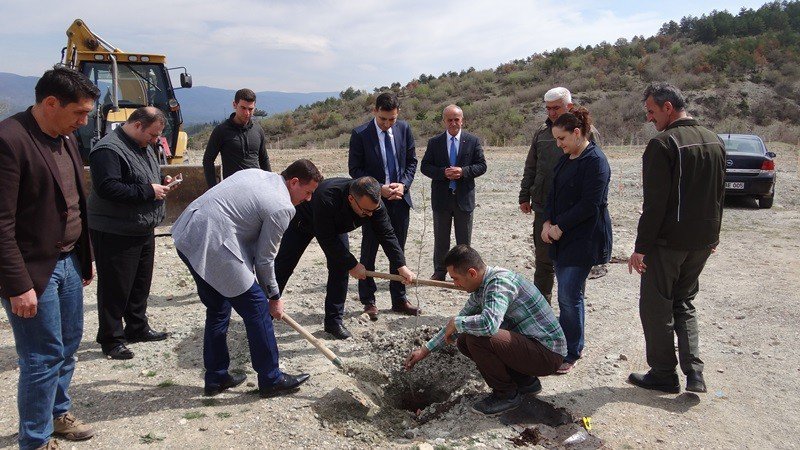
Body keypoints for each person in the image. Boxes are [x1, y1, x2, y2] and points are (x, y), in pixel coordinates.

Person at [0, 67, 99, 450]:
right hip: (32, 271)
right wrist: (17, 285)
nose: (84, 121)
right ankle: (36, 440)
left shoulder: (66, 137)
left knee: (69, 343)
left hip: (68, 261)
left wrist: (83, 260)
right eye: (79, 113)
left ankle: (58, 414)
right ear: (51, 103)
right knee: (41, 357)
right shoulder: (9, 140)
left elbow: (74, 202)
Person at [172, 160, 322, 398]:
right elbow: (265, 259)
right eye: (308, 192)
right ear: (294, 182)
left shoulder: (257, 174)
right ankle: (271, 379)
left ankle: (216, 377)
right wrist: (273, 296)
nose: (309, 199)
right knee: (258, 309)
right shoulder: (282, 206)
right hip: (213, 243)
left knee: (219, 307)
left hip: (187, 232)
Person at [627, 83, 725, 394]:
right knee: (684, 302)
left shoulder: (663, 144)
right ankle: (695, 373)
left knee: (656, 307)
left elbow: (654, 205)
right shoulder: (715, 141)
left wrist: (641, 249)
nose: (650, 118)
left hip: (668, 244)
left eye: (652, 112)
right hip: (702, 242)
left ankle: (663, 373)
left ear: (668, 107)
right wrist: (714, 236)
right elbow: (718, 196)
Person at [404, 245, 566, 416]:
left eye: (456, 278)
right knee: (465, 340)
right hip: (535, 348)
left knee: (477, 338)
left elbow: (489, 325)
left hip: (548, 354)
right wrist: (425, 350)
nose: (455, 284)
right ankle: (525, 382)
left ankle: (506, 395)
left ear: (472, 273)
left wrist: (458, 323)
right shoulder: (481, 288)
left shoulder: (499, 284)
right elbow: (459, 323)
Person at [275, 176, 416, 337]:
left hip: (336, 227)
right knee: (284, 265)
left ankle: (333, 322)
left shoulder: (373, 205)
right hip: (305, 221)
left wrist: (401, 266)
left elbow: (387, 234)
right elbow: (327, 239)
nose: (369, 215)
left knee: (339, 268)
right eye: (365, 211)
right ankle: (266, 309)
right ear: (351, 199)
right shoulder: (327, 197)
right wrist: (353, 265)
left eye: (373, 211)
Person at [88, 106, 173, 360]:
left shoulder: (143, 145)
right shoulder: (108, 150)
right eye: (153, 134)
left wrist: (162, 182)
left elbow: (148, 175)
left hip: (141, 226)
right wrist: (149, 191)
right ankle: (111, 339)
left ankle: (137, 327)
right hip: (114, 228)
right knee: (116, 286)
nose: (155, 140)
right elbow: (108, 188)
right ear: (137, 125)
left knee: (139, 283)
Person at [541, 107, 612, 375]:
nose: (559, 145)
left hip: (583, 238)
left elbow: (590, 204)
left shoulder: (595, 161)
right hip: (560, 236)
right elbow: (553, 192)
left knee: (569, 296)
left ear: (578, 133)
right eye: (556, 139)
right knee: (568, 295)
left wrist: (559, 226)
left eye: (562, 139)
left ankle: (571, 350)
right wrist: (547, 221)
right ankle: (567, 343)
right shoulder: (567, 157)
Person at [518, 87, 602, 304]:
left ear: (569, 107)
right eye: (548, 109)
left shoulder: (587, 133)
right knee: (543, 261)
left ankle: (572, 305)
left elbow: (594, 172)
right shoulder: (541, 133)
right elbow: (531, 166)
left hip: (574, 210)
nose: (552, 113)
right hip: (543, 206)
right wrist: (524, 194)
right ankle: (541, 310)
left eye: (556, 108)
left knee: (572, 264)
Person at [348, 93, 419, 319]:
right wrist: (379, 188)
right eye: (383, 120)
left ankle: (399, 299)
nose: (388, 124)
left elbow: (411, 162)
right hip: (373, 202)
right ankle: (368, 301)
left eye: (392, 120)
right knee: (369, 250)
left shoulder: (404, 129)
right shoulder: (360, 134)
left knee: (397, 250)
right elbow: (355, 170)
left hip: (400, 201)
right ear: (374, 112)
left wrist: (404, 185)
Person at [421, 104, 487, 281]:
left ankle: (463, 273)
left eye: (456, 119)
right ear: (444, 121)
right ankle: (440, 271)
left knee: (464, 241)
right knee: (441, 239)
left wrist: (463, 172)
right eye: (449, 120)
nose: (453, 123)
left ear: (462, 121)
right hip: (441, 199)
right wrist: (442, 173)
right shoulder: (434, 142)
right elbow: (425, 167)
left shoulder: (472, 141)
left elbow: (482, 166)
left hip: (464, 199)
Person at [202, 88, 271, 188]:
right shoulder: (221, 131)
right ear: (234, 105)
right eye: (243, 108)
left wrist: (270, 185)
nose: (247, 113)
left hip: (257, 187)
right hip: (233, 190)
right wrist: (213, 188)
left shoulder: (258, 130)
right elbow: (208, 160)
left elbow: (264, 159)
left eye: (250, 109)